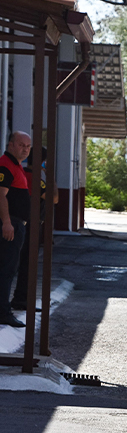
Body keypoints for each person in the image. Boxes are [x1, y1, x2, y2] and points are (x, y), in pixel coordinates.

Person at [12, 146, 58, 311]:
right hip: (30, 226)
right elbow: (54, 198)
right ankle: (21, 299)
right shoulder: (36, 178)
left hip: (21, 223)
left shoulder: (22, 172)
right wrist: (50, 176)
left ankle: (20, 298)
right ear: (42, 162)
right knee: (27, 265)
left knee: (18, 263)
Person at [0, 131, 32, 327]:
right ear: (11, 144)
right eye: (21, 145)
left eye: (28, 146)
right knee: (6, 270)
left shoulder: (16, 166)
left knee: (8, 269)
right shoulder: (5, 164)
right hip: (10, 225)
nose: (25, 149)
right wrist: (6, 222)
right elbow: (1, 195)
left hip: (16, 224)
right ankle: (3, 312)